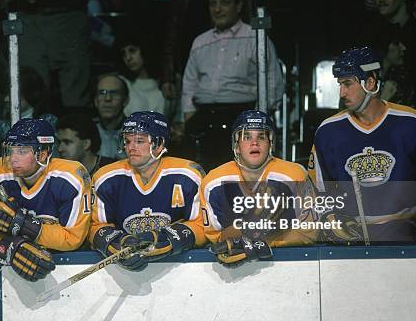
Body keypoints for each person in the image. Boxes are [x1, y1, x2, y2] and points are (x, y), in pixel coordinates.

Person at [308, 46, 416, 242]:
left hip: (409, 241)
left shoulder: (413, 124)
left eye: (347, 84)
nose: (342, 92)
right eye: (340, 85)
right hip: (351, 245)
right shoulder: (327, 132)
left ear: (370, 83)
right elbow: (315, 192)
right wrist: (331, 220)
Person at [181, 0, 283, 170]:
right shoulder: (200, 42)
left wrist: (258, 120)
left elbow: (273, 83)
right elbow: (189, 84)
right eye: (213, 4)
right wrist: (189, 116)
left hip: (241, 115)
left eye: (224, 3)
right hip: (204, 117)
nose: (217, 9)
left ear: (239, 5)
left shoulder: (255, 38)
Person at [90, 111, 205, 271]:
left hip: (180, 269)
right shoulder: (106, 178)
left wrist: (169, 239)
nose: (131, 147)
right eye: (127, 141)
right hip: (125, 269)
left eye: (139, 141)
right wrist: (118, 245)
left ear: (159, 144)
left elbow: (202, 224)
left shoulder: (188, 174)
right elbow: (96, 226)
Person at [0, 118, 91, 282]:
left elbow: (73, 238)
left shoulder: (71, 177)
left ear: (43, 153)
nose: (12, 158)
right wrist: (13, 247)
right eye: (10, 150)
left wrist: (23, 225)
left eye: (22, 151)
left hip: (68, 268)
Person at [202, 110, 317, 266]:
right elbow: (218, 238)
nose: (254, 143)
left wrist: (261, 240)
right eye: (246, 137)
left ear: (271, 143)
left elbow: (309, 232)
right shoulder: (213, 182)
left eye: (261, 137)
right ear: (236, 145)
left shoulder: (294, 175)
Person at [12, 0, 106, 109]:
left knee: (75, 96)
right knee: (31, 94)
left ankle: (76, 133)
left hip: (69, 18)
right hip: (29, 20)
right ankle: (33, 135)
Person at [115, 33, 169, 117]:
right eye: (124, 54)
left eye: (132, 51)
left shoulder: (166, 82)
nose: (128, 58)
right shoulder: (122, 83)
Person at [93, 73, 129, 159]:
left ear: (125, 100)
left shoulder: (139, 134)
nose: (108, 98)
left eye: (114, 93)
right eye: (102, 93)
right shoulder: (85, 132)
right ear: (95, 101)